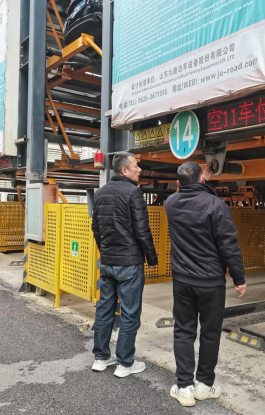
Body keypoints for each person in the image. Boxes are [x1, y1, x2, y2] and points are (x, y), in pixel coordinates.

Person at [165, 161, 247, 407]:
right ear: (202, 179)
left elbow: (189, 196)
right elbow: (228, 244)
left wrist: (201, 182)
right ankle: (204, 385)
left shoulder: (171, 203)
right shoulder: (216, 205)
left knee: (184, 331)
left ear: (178, 183)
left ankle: (184, 387)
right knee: (210, 333)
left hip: (182, 280)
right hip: (211, 282)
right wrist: (239, 278)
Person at [90, 152, 158, 377]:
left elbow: (95, 228)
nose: (139, 169)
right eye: (136, 166)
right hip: (129, 263)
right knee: (129, 313)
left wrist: (106, 252)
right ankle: (125, 363)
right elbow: (142, 230)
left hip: (108, 262)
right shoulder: (133, 193)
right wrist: (151, 258)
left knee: (104, 309)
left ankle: (100, 358)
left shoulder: (100, 193)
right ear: (124, 170)